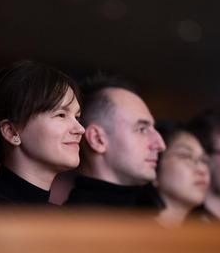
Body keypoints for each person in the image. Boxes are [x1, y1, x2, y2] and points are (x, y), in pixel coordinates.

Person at [0, 60, 84, 205]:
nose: (80, 129)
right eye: (61, 115)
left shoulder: (59, 218)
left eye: (77, 117)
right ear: (12, 132)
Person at [64, 74, 166, 209]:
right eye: (142, 129)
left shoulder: (149, 222)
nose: (161, 145)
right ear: (98, 139)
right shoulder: (70, 225)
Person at [154, 121, 210, 226]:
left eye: (204, 160)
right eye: (185, 156)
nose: (202, 169)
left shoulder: (209, 233)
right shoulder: (128, 230)